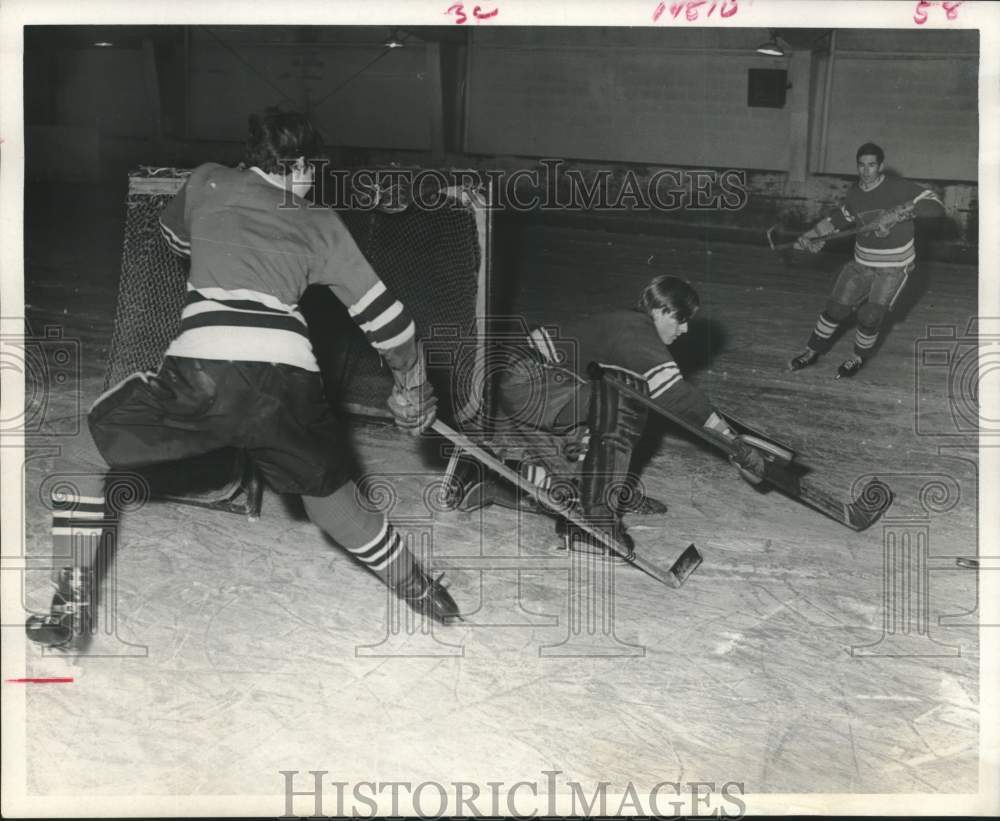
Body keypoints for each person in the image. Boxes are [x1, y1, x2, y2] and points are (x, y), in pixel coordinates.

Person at [26, 109, 458, 648]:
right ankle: (423, 592)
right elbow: (391, 324)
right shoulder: (320, 220)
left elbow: (174, 236)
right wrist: (412, 386)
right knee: (329, 498)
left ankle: (69, 605)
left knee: (82, 455)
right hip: (290, 382)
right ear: (301, 166)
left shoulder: (207, 180)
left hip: (205, 372)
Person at [447, 275, 765, 556]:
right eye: (680, 319)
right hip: (532, 382)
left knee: (571, 490)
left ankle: (491, 477)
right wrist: (731, 441)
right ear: (660, 311)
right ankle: (595, 522)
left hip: (532, 386)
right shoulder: (637, 330)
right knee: (628, 402)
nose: (684, 329)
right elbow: (676, 395)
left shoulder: (628, 326)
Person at [788, 142, 945, 378]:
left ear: (880, 166)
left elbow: (935, 205)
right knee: (835, 309)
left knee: (870, 316)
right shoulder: (855, 192)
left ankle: (857, 357)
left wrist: (903, 211)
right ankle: (812, 351)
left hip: (893, 267)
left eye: (871, 165)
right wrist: (811, 235)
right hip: (861, 263)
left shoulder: (898, 187)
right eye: (861, 165)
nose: (866, 171)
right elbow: (839, 219)